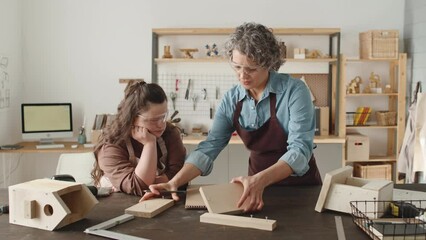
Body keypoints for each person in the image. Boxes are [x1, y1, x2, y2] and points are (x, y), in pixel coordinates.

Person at [142, 22, 322, 211]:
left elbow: (300, 150)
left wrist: (260, 180)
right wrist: (174, 182)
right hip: (253, 189)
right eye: (237, 67)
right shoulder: (232, 99)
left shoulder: (294, 91)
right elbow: (209, 147)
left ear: (269, 63)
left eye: (251, 69)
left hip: (301, 189)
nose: (242, 75)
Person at [91, 80, 186, 196]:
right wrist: (149, 144)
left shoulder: (170, 134)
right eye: (154, 120)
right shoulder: (111, 145)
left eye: (163, 116)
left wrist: (145, 183)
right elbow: (139, 187)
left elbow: (180, 173)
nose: (161, 125)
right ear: (132, 118)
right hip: (116, 207)